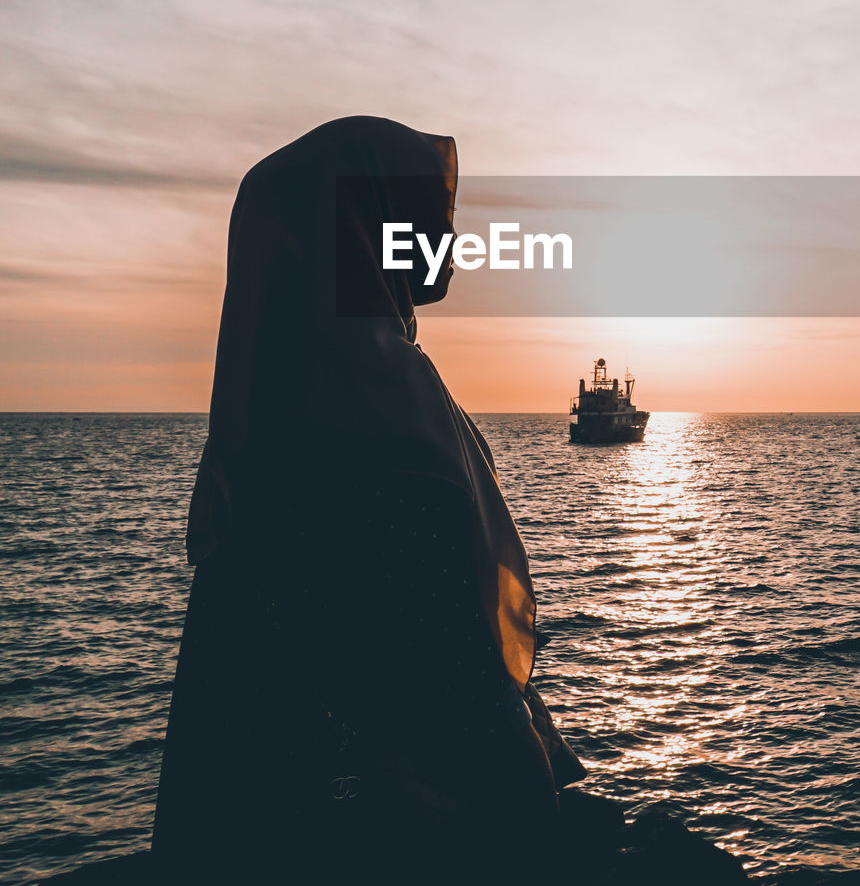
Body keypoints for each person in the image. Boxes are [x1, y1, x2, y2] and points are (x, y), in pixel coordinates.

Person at [150, 116, 587, 885]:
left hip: (264, 811)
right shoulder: (385, 401)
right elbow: (446, 660)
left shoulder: (261, 408)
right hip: (424, 824)